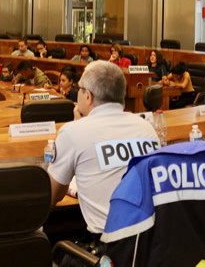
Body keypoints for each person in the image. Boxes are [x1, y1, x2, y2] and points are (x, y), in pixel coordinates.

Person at [48, 60, 159, 236]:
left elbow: (52, 196)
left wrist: (77, 130)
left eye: (80, 89)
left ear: (88, 96)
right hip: (149, 241)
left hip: (108, 247)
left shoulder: (72, 132)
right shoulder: (146, 128)